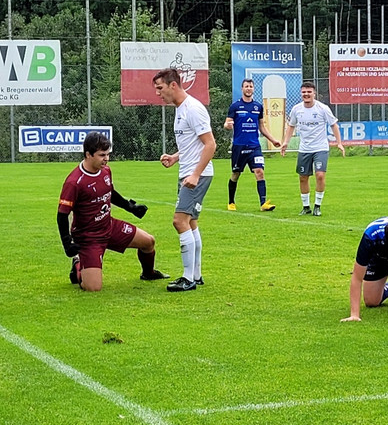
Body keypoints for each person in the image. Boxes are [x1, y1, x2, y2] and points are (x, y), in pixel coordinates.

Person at [57, 132, 167, 291]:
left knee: (149, 241)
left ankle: (148, 273)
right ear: (88, 154)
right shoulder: (74, 182)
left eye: (108, 154)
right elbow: (62, 214)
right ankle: (78, 263)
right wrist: (67, 243)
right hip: (89, 237)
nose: (106, 159)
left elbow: (110, 192)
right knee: (93, 288)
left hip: (109, 226)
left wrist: (131, 207)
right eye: (102, 155)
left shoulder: (105, 171)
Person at [154, 67, 216, 291]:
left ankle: (188, 279)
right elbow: (194, 144)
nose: (158, 93)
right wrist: (175, 157)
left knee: (179, 221)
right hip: (189, 172)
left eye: (160, 88)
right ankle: (196, 275)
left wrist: (195, 174)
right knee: (190, 222)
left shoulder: (193, 109)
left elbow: (211, 144)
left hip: (196, 175)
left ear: (173, 85)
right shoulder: (180, 109)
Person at [280, 81, 345, 216]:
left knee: (320, 175)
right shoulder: (296, 109)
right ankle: (306, 207)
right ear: (301, 93)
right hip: (304, 149)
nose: (306, 94)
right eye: (304, 92)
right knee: (303, 177)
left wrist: (339, 143)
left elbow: (334, 125)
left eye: (309, 92)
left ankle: (317, 206)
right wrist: (285, 142)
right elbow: (291, 126)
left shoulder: (323, 108)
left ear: (314, 94)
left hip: (320, 147)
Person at [224, 78, 280, 212]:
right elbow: (227, 123)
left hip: (254, 146)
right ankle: (231, 202)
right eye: (246, 86)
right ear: (242, 89)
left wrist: (272, 140)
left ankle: (263, 203)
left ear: (253, 89)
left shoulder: (258, 107)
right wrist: (227, 126)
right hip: (239, 146)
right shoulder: (235, 106)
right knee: (235, 174)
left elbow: (262, 127)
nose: (248, 88)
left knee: (259, 172)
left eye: (250, 86)